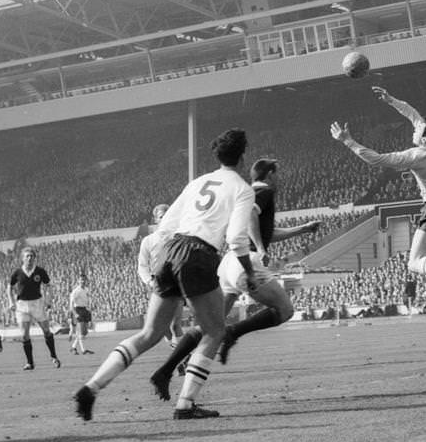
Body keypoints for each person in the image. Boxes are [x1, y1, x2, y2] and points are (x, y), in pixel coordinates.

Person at [75, 128, 264, 422]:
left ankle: (91, 387)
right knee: (215, 331)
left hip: (169, 250)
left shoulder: (198, 182)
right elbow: (238, 238)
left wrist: (169, 260)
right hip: (199, 253)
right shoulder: (241, 188)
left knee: (149, 333)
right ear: (242, 157)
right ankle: (185, 405)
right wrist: (249, 271)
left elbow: (165, 227)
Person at [148, 157, 319, 399]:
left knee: (208, 326)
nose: (279, 178)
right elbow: (251, 218)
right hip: (244, 260)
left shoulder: (248, 194)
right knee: (284, 310)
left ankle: (166, 370)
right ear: (269, 174)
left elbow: (263, 230)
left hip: (228, 262)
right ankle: (233, 333)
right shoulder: (263, 191)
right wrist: (260, 249)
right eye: (277, 173)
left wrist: (301, 229)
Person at [331, 86, 426, 346]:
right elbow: (414, 114)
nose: (414, 129)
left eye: (418, 131)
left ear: (424, 139)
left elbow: (375, 159)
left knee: (416, 261)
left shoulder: (415, 156)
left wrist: (347, 140)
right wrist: (390, 100)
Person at [137, 203, 185, 345]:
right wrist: (150, 281)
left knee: (175, 324)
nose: (165, 219)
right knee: (160, 327)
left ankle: (182, 356)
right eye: (161, 217)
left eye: (167, 215)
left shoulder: (178, 238)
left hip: (175, 284)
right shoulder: (148, 240)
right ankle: (174, 347)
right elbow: (142, 266)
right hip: (156, 285)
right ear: (156, 220)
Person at [8, 246, 61, 371]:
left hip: (37, 303)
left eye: (32, 256)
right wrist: (11, 301)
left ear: (34, 258)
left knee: (46, 331)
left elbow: (49, 286)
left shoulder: (40, 271)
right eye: (27, 256)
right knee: (25, 335)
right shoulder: (17, 273)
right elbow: (9, 287)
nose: (30, 258)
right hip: (22, 305)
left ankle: (54, 356)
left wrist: (48, 299)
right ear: (23, 258)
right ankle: (30, 363)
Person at [68, 275, 95, 355]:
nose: (83, 281)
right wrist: (75, 314)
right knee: (82, 332)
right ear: (78, 281)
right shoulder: (76, 291)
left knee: (85, 332)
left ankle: (73, 347)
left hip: (85, 310)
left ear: (86, 281)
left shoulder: (86, 289)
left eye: (84, 280)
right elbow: (71, 304)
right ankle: (83, 350)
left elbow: (88, 300)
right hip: (78, 310)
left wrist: (90, 309)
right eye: (81, 280)